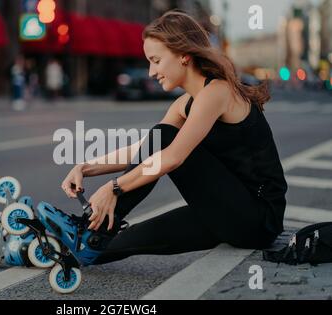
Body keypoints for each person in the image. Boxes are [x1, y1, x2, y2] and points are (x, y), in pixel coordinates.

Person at [55, 10, 288, 265]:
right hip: (226, 211)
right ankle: (58, 249)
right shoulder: (184, 104)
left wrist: (114, 188)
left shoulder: (217, 92)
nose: (151, 72)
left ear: (184, 56)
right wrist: (84, 168)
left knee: (164, 136)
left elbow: (172, 157)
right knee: (122, 243)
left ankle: (93, 230)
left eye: (156, 60)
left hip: (258, 218)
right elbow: (145, 150)